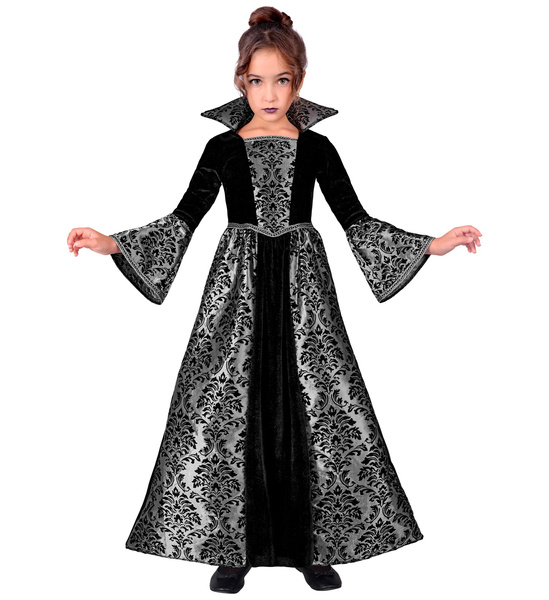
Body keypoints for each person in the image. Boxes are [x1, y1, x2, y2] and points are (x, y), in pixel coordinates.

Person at [66, 6, 481, 594]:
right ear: (241, 81)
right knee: (225, 402)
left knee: (315, 400)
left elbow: (356, 220)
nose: (268, 94)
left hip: (304, 288)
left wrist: (432, 245)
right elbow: (184, 218)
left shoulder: (317, 148)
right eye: (257, 80)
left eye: (281, 80)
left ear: (298, 82)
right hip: (236, 288)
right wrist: (113, 243)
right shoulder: (222, 147)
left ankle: (311, 548)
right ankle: (232, 548)